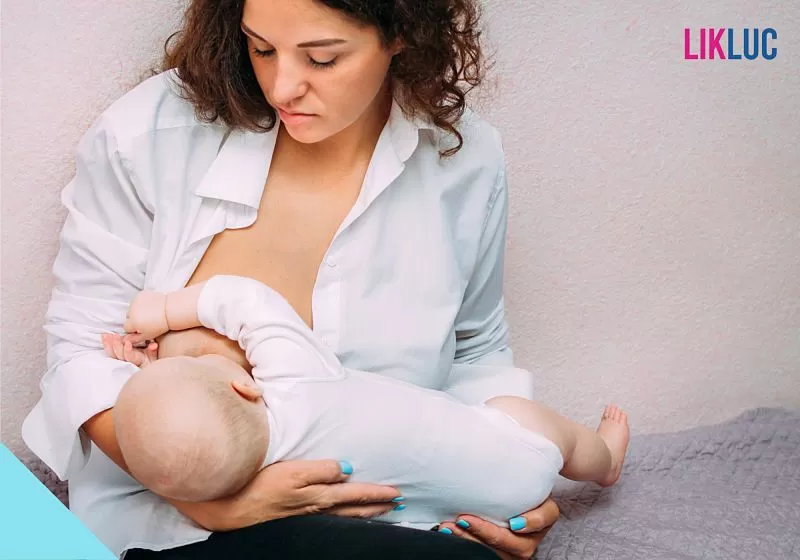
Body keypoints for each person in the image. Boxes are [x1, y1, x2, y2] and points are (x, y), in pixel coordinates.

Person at [21, 0, 565, 558]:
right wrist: (203, 497)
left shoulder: (465, 158)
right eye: (260, 48)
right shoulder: (149, 134)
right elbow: (81, 350)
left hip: (395, 518)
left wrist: (513, 485)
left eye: (322, 59)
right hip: (171, 529)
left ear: (403, 32)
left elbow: (475, 351)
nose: (282, 87)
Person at [103, 275, 630, 514]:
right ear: (244, 386)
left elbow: (190, 434)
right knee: (520, 414)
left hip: (473, 512)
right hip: (518, 453)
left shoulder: (272, 478)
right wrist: (167, 310)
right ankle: (602, 461)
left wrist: (150, 374)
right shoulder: (297, 379)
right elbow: (249, 301)